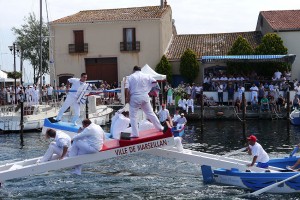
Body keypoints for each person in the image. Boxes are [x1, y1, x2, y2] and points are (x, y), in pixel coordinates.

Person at [125, 66, 165, 138]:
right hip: (144, 96)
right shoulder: (147, 76)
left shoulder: (130, 77)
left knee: (133, 116)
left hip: (135, 97)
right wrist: (150, 90)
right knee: (150, 113)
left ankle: (135, 134)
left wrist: (127, 98)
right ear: (140, 70)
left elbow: (126, 88)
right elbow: (155, 82)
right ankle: (160, 128)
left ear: (134, 70)